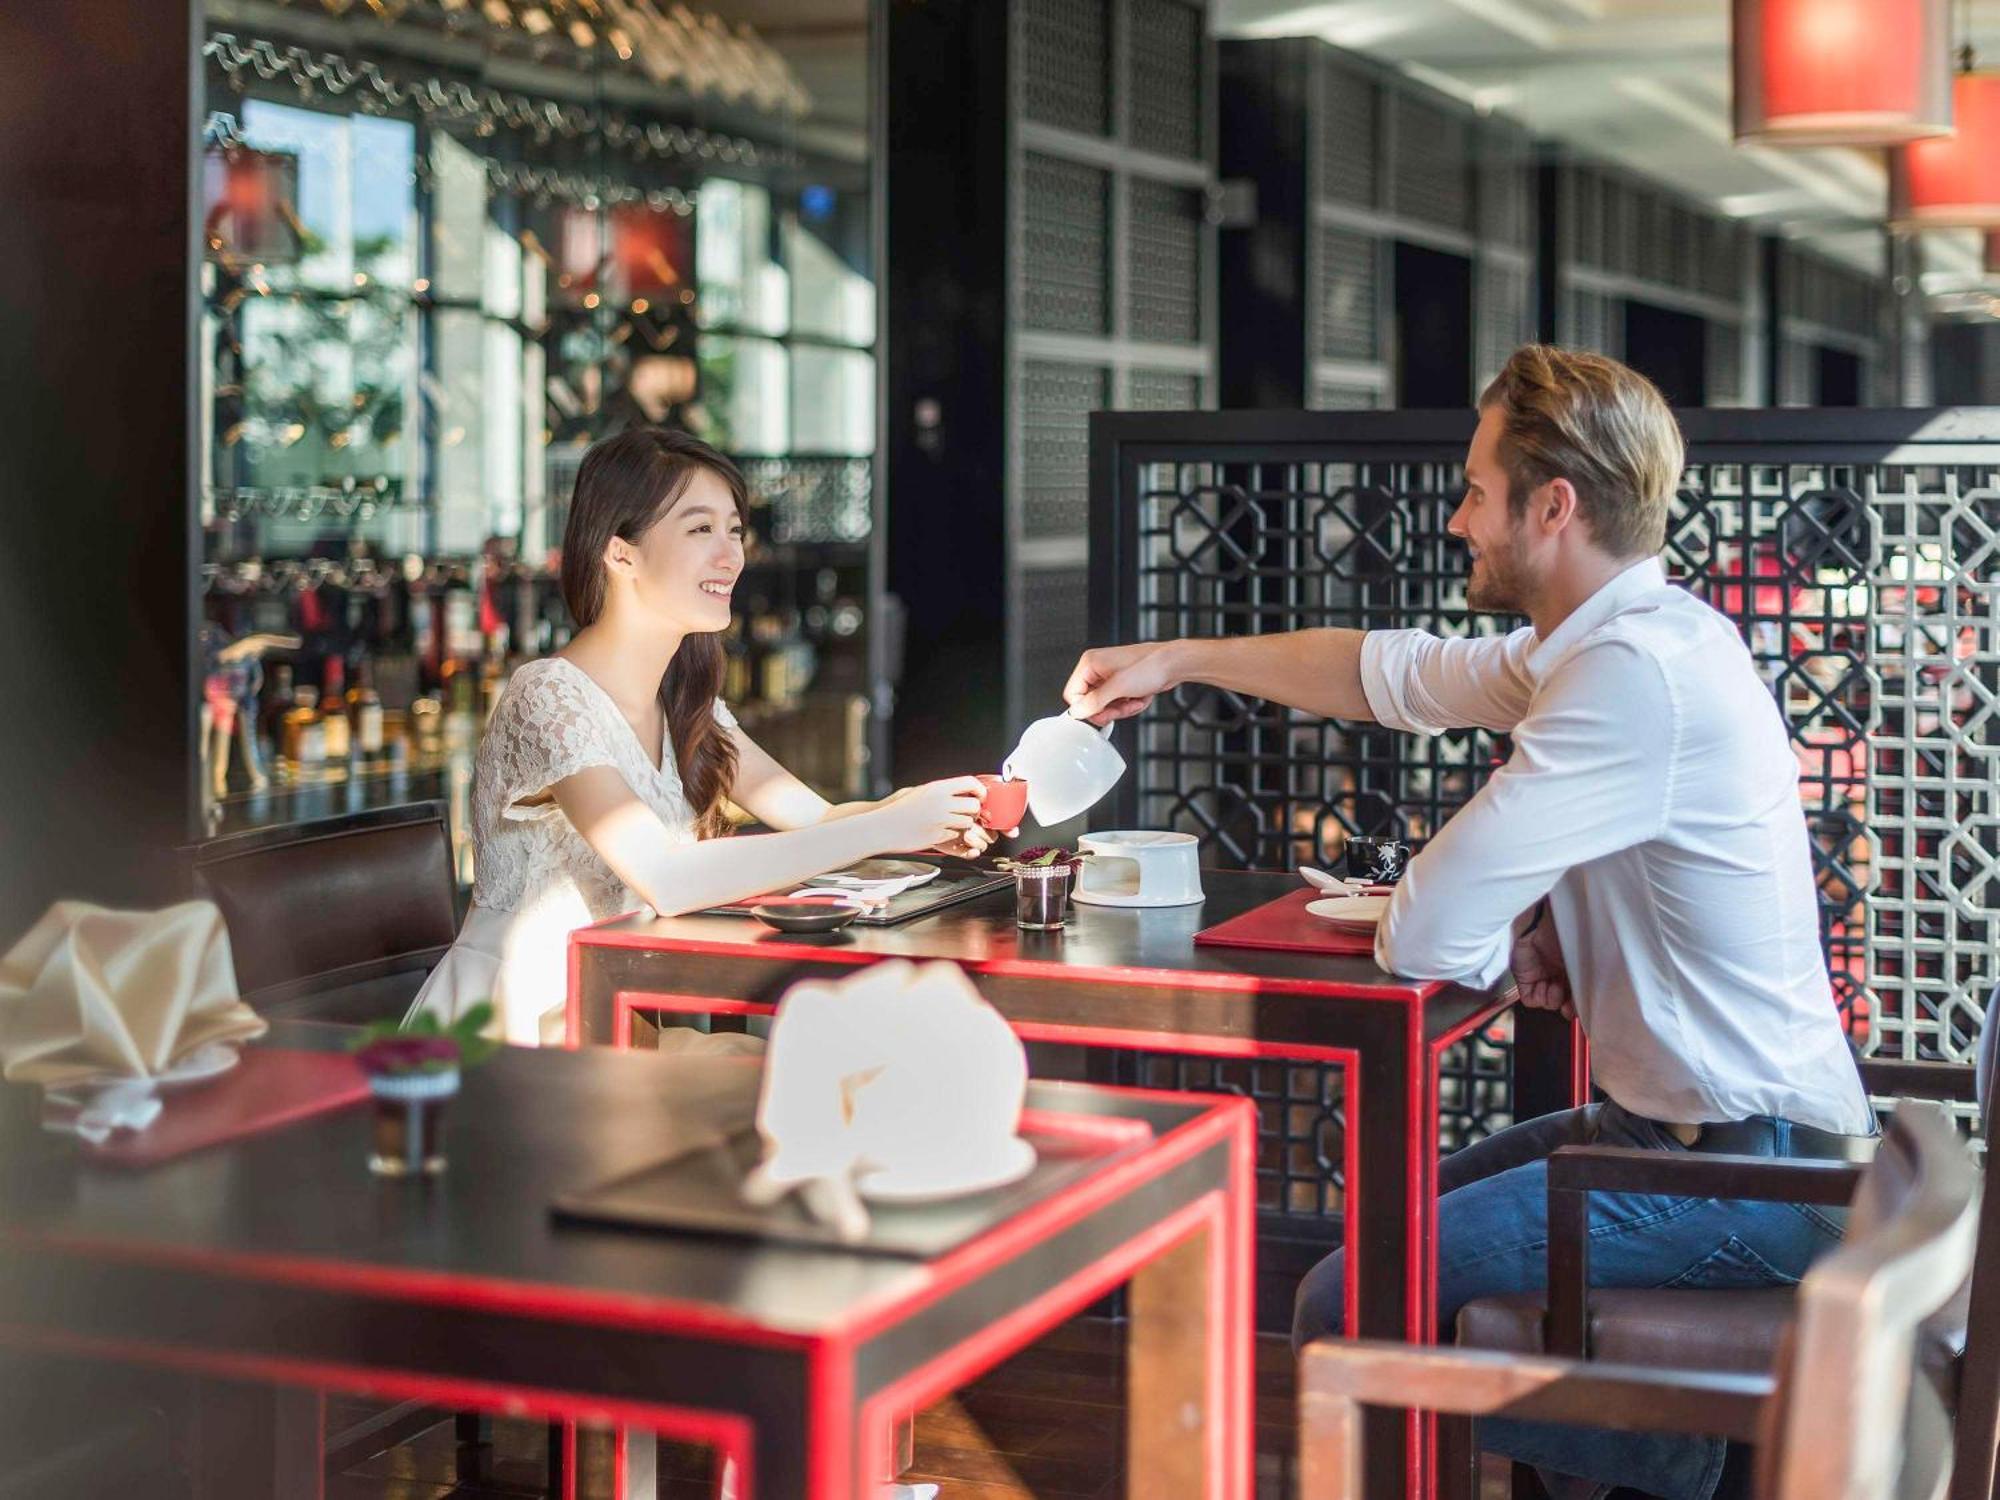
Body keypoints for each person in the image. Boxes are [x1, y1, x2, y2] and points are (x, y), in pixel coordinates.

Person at [1060, 345, 1874, 1500]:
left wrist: (1506, 933)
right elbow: (1385, 673)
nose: (1455, 520)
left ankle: (1715, 1457)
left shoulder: (1628, 674)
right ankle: (1684, 1457)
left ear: (1553, 507)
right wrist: (1178, 660)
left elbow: (1430, 931)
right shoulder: (1620, 639)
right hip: (1684, 1139)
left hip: (1754, 1180)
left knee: (1348, 1306)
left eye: (1475, 492)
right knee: (1380, 1257)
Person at [410, 426, 997, 1048]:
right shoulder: (548, 696)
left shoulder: (687, 703)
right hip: (516, 1035)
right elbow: (669, 878)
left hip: (618, 1014)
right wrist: (887, 828)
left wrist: (932, 812)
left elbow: (817, 818)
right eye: (699, 530)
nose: (732, 556)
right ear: (621, 553)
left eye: (735, 530)